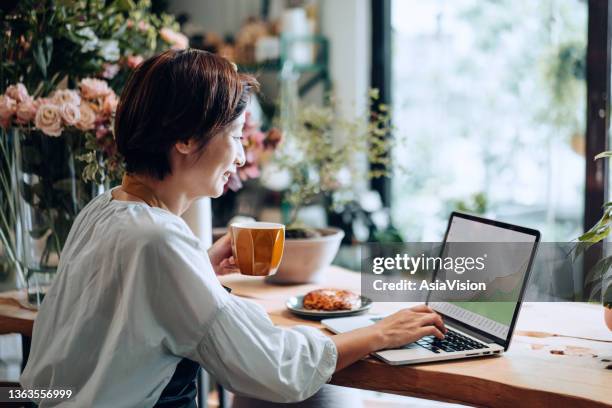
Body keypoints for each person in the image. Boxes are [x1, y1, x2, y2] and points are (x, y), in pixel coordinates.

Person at [21, 49, 446, 407]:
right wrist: (379, 333)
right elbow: (273, 368)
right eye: (237, 136)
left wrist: (198, 268)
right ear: (186, 138)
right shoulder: (159, 239)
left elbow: (115, 318)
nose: (242, 157)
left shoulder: (103, 208)